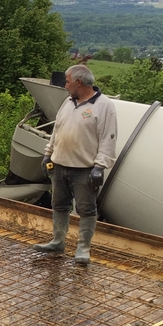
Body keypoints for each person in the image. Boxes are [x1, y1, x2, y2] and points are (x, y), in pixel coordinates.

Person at [33, 64, 118, 265]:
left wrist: (100, 166)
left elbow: (108, 138)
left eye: (68, 81)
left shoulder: (104, 106)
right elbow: (57, 130)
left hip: (84, 169)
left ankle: (83, 249)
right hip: (59, 164)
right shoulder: (68, 102)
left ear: (79, 82)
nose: (65, 85)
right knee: (59, 204)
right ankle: (58, 242)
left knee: (86, 209)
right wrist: (48, 153)